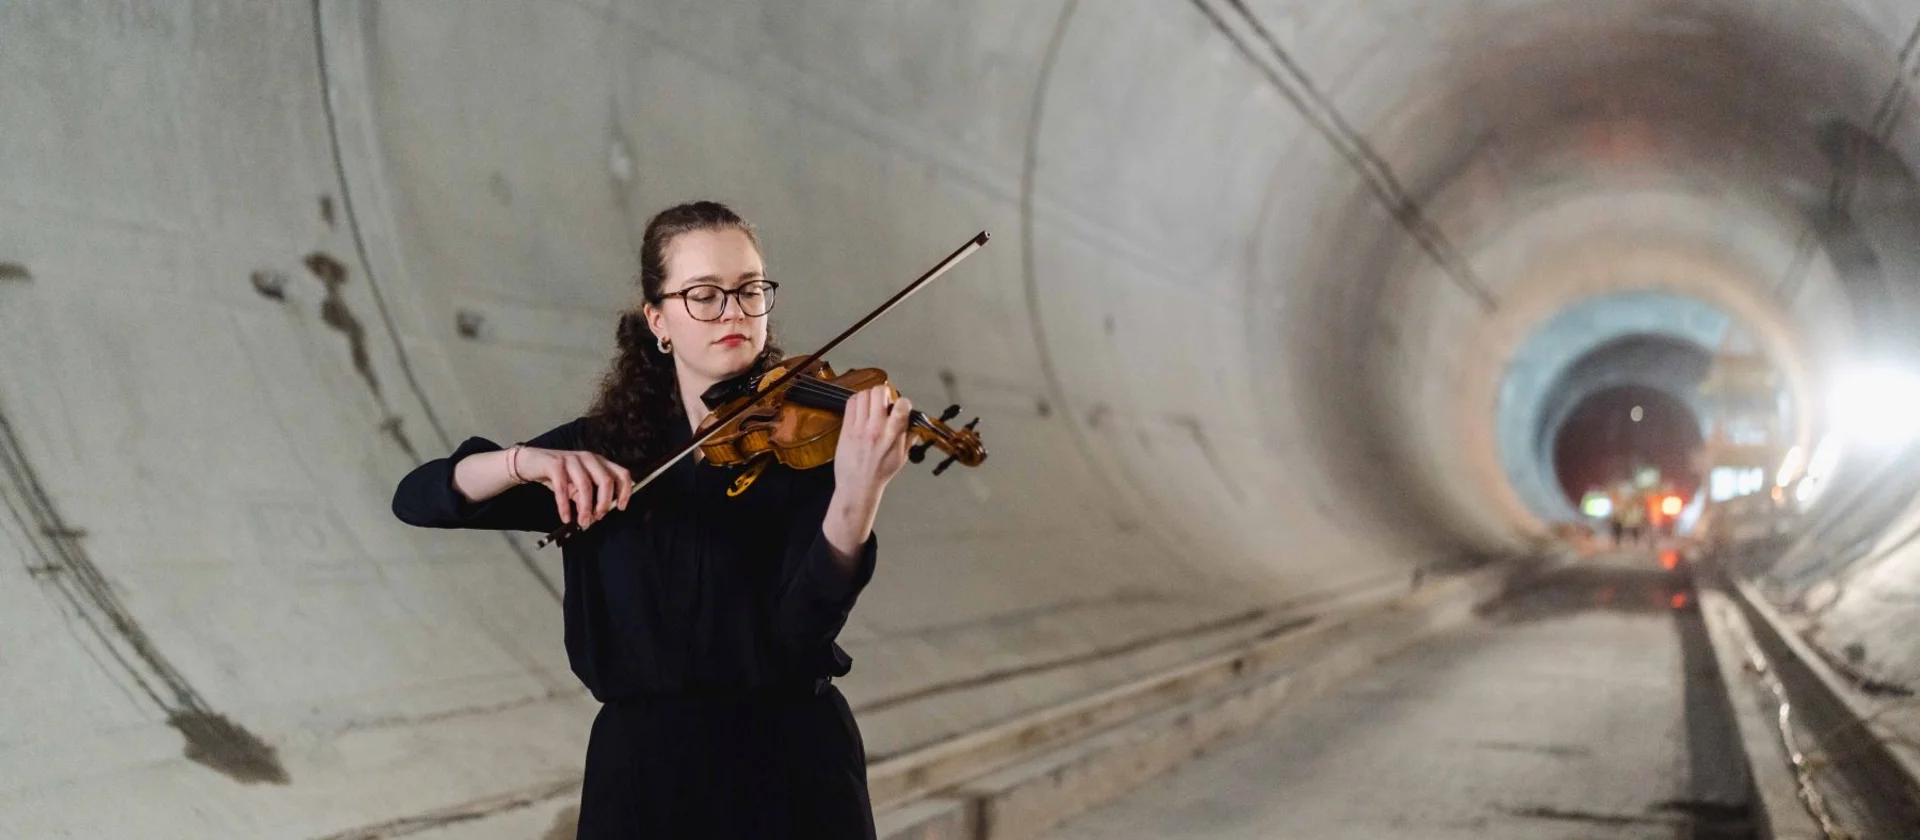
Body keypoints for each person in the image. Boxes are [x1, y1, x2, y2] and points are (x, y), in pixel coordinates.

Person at [391, 200, 910, 838]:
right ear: (658, 319)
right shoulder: (602, 447)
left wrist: (857, 496)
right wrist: (523, 462)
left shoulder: (808, 443)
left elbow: (797, 633)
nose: (733, 312)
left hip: (792, 769)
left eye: (750, 290)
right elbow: (418, 498)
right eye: (704, 295)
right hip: (644, 777)